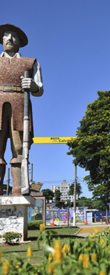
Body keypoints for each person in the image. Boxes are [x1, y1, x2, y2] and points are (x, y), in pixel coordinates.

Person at [0, 24, 44, 195]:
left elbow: (40, 90)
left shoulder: (30, 63)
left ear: (20, 42)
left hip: (20, 106)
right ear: (1, 40)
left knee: (19, 148)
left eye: (13, 36)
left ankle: (18, 187)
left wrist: (33, 86)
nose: (9, 38)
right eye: (6, 35)